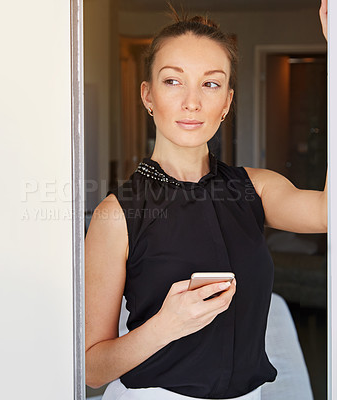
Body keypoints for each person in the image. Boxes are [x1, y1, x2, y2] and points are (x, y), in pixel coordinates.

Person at [85, 1, 328, 399]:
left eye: (210, 84)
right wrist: (168, 324)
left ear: (227, 102)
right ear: (147, 95)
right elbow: (94, 369)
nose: (192, 102)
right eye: (173, 81)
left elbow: (327, 212)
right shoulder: (117, 214)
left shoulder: (257, 188)